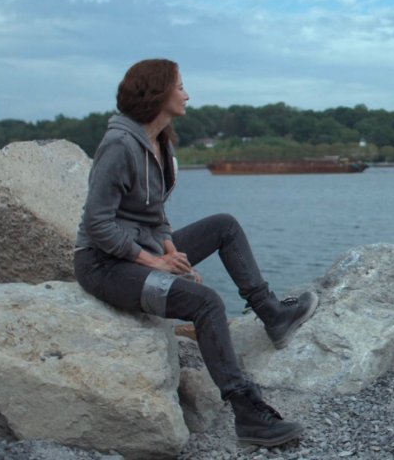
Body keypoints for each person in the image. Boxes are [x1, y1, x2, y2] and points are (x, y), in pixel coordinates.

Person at [73, 58, 318, 448]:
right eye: (181, 86)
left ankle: (273, 314)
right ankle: (248, 413)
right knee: (204, 302)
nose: (188, 94)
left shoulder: (159, 141)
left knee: (224, 225)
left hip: (141, 252)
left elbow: (153, 214)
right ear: (158, 93)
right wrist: (155, 262)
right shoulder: (119, 145)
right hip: (104, 266)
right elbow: (99, 225)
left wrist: (172, 250)